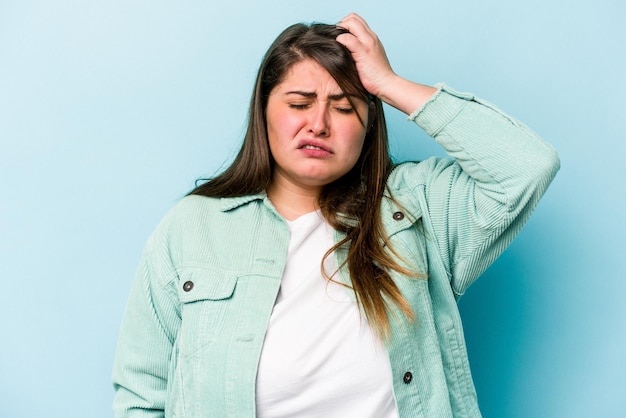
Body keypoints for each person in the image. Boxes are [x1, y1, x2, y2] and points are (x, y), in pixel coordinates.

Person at [112, 13, 559, 418]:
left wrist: (388, 83)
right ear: (264, 110)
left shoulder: (418, 207)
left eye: (344, 107)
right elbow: (140, 396)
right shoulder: (194, 227)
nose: (319, 124)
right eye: (299, 103)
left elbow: (526, 168)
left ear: (369, 126)